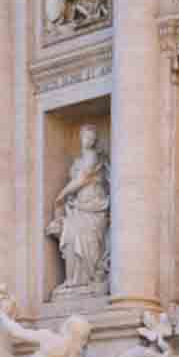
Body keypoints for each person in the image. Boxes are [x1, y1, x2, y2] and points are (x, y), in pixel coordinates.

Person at [47, 123, 110, 288]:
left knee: (89, 242)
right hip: (78, 205)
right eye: (85, 136)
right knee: (69, 236)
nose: (88, 140)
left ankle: (87, 277)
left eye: (91, 137)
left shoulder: (93, 157)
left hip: (94, 204)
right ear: (80, 138)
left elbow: (82, 179)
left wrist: (61, 195)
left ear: (95, 140)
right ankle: (73, 279)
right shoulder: (78, 160)